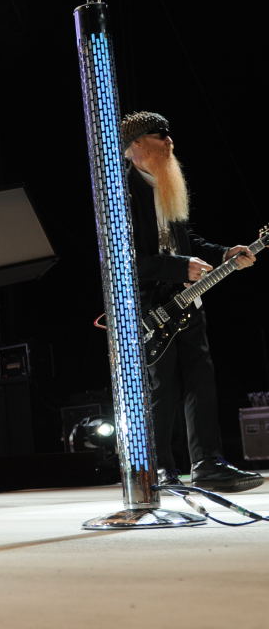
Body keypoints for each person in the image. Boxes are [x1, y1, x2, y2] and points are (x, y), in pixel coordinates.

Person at [121, 110, 263, 493]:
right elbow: (125, 261)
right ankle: (159, 468)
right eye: (159, 135)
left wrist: (223, 254)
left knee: (201, 382)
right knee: (161, 388)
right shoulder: (121, 196)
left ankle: (208, 463)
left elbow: (186, 243)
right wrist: (178, 268)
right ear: (136, 145)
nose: (169, 141)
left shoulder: (168, 185)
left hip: (187, 302)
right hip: (151, 308)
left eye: (169, 134)